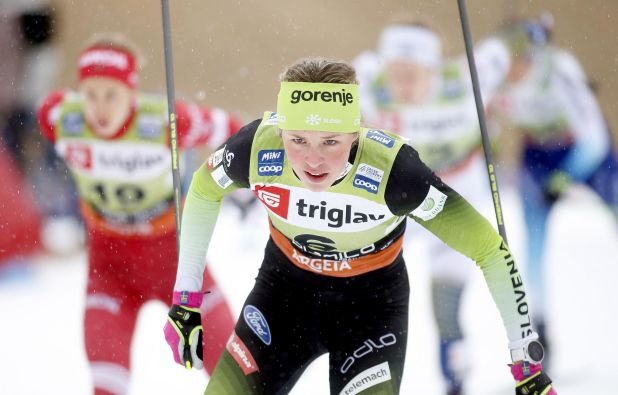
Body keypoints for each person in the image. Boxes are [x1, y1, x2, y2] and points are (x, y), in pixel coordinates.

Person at [163, 57, 556, 395]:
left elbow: (488, 248)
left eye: (330, 142)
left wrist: (526, 357)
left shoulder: (394, 172)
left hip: (369, 311)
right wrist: (184, 299)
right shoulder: (256, 148)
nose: (312, 160)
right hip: (283, 299)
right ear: (280, 129)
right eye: (298, 140)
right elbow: (202, 189)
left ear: (356, 133)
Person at [36, 34, 239, 395]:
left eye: (111, 95)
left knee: (235, 377)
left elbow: (234, 131)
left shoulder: (165, 122)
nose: (99, 108)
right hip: (109, 268)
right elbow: (46, 111)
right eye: (90, 94)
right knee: (106, 384)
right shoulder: (62, 119)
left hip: (175, 264)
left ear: (132, 93)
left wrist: (234, 181)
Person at [352, 17, 518, 395]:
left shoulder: (466, 78)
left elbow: (505, 49)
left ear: (434, 68)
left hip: (456, 192)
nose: (404, 85)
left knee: (444, 305)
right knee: (372, 291)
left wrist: (526, 35)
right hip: (401, 194)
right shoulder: (367, 80)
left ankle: (454, 382)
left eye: (414, 74)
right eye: (397, 73)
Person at [488, 14, 618, 364]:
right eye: (509, 64)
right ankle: (538, 329)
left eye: (520, 62)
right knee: (533, 244)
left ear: (533, 57)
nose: (514, 72)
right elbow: (488, 121)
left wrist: (562, 181)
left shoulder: (558, 70)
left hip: (585, 154)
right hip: (537, 158)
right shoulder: (495, 77)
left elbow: (594, 139)